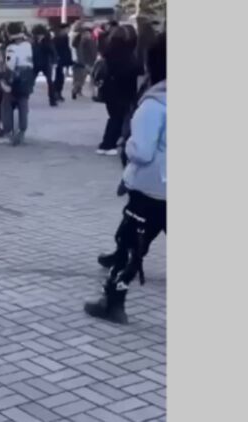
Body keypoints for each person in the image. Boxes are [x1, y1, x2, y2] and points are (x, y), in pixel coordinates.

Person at [85, 33, 166, 324]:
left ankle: (113, 301)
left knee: (131, 245)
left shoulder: (156, 104)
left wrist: (127, 143)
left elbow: (142, 151)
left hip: (153, 189)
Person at [96, 26, 140, 155]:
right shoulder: (127, 55)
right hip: (123, 90)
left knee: (114, 116)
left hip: (109, 89)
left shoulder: (108, 52)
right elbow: (131, 71)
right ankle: (108, 144)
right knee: (118, 117)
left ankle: (108, 143)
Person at [0, 22, 35, 146]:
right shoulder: (28, 45)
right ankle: (22, 130)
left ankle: (8, 131)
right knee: (23, 105)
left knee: (6, 104)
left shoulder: (11, 48)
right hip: (28, 78)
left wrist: (5, 79)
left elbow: (10, 65)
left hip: (15, 79)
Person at [31, 24, 57, 107]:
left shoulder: (48, 41)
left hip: (46, 63)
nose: (39, 36)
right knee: (30, 81)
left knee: (50, 81)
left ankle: (52, 99)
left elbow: (53, 52)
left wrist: (54, 61)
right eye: (37, 35)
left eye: (40, 35)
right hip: (35, 63)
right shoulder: (33, 41)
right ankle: (24, 97)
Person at [71, 24, 97, 99]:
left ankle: (78, 91)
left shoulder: (88, 41)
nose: (88, 34)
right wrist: (83, 62)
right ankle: (76, 91)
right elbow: (81, 53)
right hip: (86, 63)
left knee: (84, 79)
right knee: (81, 80)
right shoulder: (83, 42)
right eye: (86, 33)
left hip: (88, 62)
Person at [52, 24, 72, 102]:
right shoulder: (58, 38)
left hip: (63, 60)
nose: (68, 30)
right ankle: (56, 93)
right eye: (67, 29)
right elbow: (56, 49)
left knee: (61, 78)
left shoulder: (66, 37)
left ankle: (58, 93)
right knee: (58, 77)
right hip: (59, 60)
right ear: (63, 29)